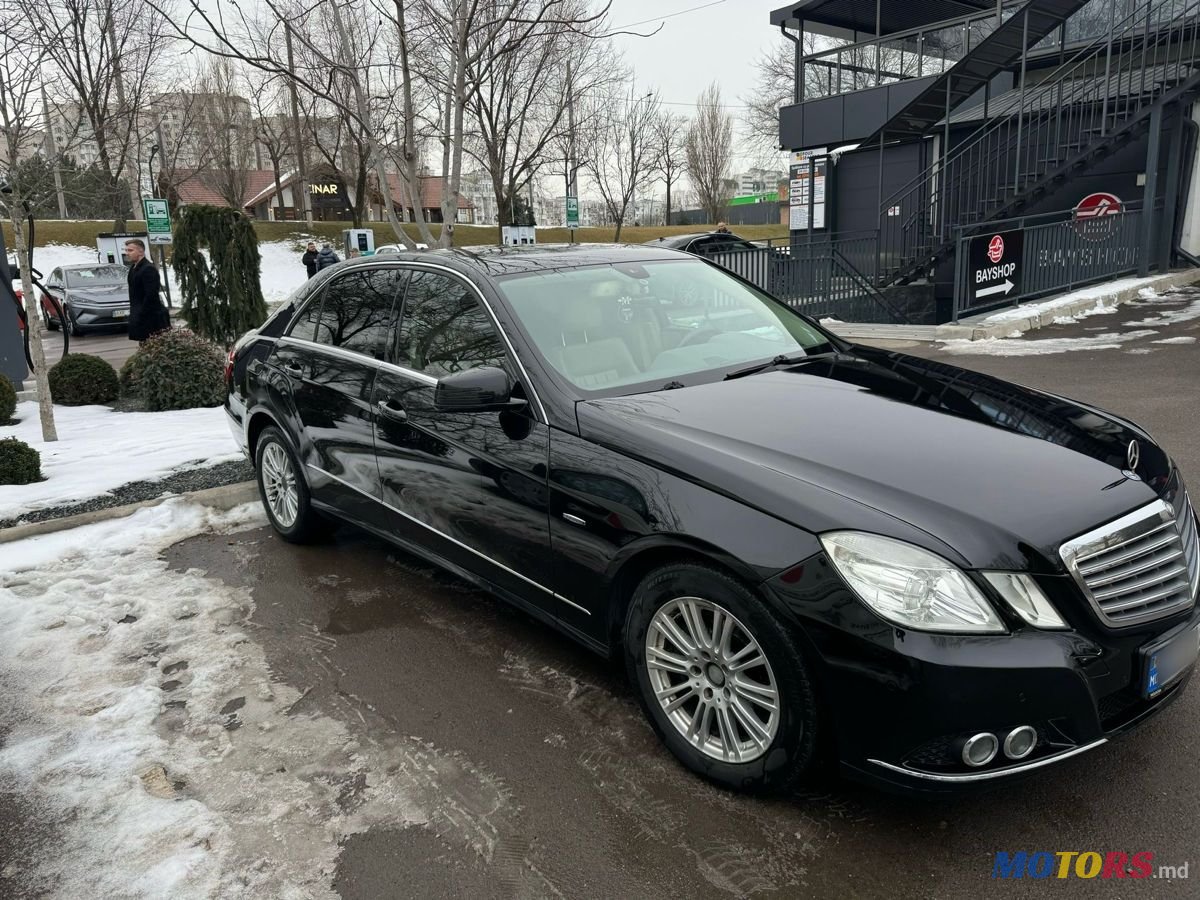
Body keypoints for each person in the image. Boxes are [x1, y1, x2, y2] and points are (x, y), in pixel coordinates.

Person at [125, 239, 170, 344]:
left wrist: (141, 314)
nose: (127, 253)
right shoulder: (133, 268)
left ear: (141, 252)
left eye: (130, 250)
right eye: (126, 250)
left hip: (150, 319)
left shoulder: (148, 269)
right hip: (139, 316)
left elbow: (151, 295)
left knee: (153, 347)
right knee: (144, 346)